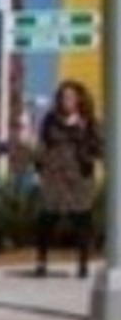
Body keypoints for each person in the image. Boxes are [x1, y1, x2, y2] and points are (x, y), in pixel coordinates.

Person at [34, 81, 104, 280]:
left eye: (70, 97)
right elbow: (42, 144)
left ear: (79, 99)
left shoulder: (89, 121)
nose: (66, 100)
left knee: (82, 221)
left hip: (79, 178)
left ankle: (83, 265)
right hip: (53, 176)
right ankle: (41, 262)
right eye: (63, 96)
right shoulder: (50, 119)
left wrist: (84, 138)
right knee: (47, 219)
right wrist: (39, 167)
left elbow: (99, 149)